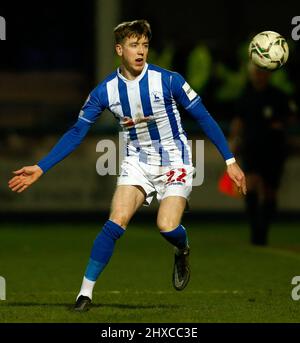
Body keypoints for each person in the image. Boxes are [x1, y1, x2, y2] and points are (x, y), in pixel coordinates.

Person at [8, 20, 246, 311]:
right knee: (116, 220)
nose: (141, 51)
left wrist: (230, 161)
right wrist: (41, 167)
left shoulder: (169, 80)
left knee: (166, 226)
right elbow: (76, 132)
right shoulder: (104, 92)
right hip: (137, 162)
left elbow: (206, 117)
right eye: (134, 45)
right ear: (119, 49)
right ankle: (85, 294)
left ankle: (182, 248)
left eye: (145, 45)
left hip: (175, 159)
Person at [230, 62, 295, 246]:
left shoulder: (279, 96)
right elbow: (238, 121)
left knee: (270, 191)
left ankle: (264, 229)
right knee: (250, 185)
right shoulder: (245, 96)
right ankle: (255, 230)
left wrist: (280, 123)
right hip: (251, 148)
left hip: (274, 149)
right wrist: (232, 142)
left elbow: (291, 117)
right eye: (256, 72)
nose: (259, 75)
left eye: (262, 72)